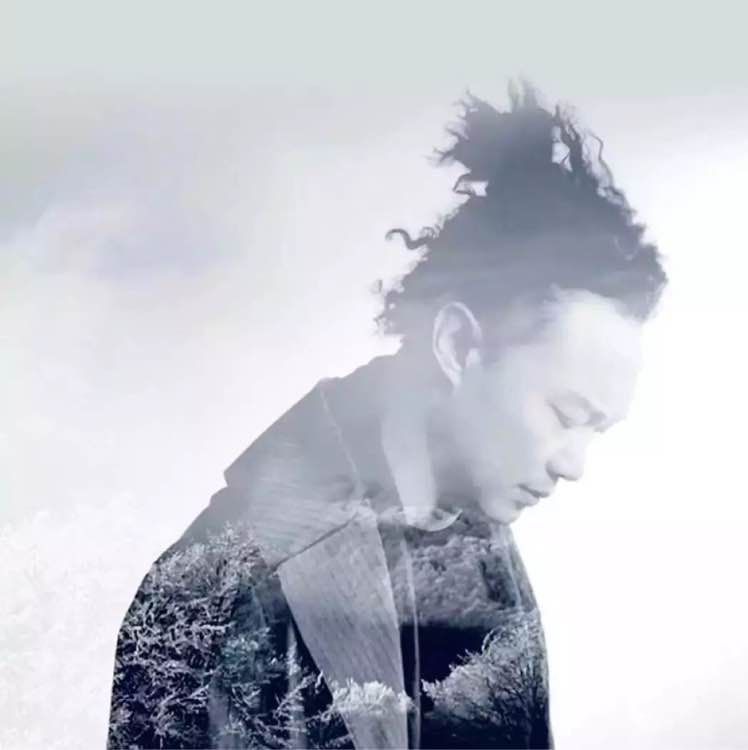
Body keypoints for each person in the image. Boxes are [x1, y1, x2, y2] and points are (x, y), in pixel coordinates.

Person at [107, 83, 668, 749]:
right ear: (457, 345)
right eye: (565, 413)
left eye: (597, 430)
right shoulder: (219, 591)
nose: (573, 464)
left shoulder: (478, 542)